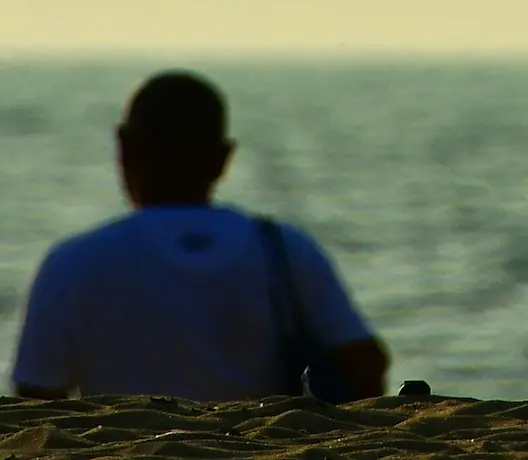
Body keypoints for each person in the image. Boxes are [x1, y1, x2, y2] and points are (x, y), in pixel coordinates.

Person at [12, 71, 388, 401]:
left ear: (125, 147)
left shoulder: (74, 261)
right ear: (223, 158)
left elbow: (36, 395)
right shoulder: (284, 249)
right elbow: (364, 363)